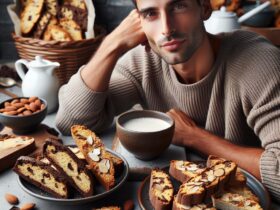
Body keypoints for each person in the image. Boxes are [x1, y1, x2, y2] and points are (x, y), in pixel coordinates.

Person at [56, 0, 280, 200]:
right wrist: (112, 45)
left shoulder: (259, 62)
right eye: (150, 14)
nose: (166, 29)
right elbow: (71, 121)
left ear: (204, 7)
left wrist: (195, 137)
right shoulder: (143, 63)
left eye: (178, 6)